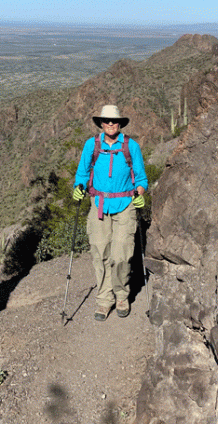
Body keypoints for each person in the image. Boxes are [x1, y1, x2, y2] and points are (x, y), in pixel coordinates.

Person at [73, 105, 148, 320]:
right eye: (106, 121)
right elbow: (81, 174)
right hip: (98, 205)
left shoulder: (131, 146)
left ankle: (121, 295)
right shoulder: (92, 145)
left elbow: (141, 179)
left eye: (114, 121)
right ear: (101, 123)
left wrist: (139, 192)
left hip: (125, 205)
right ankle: (104, 300)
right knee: (100, 253)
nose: (110, 124)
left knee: (121, 255)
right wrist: (78, 188)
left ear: (120, 123)